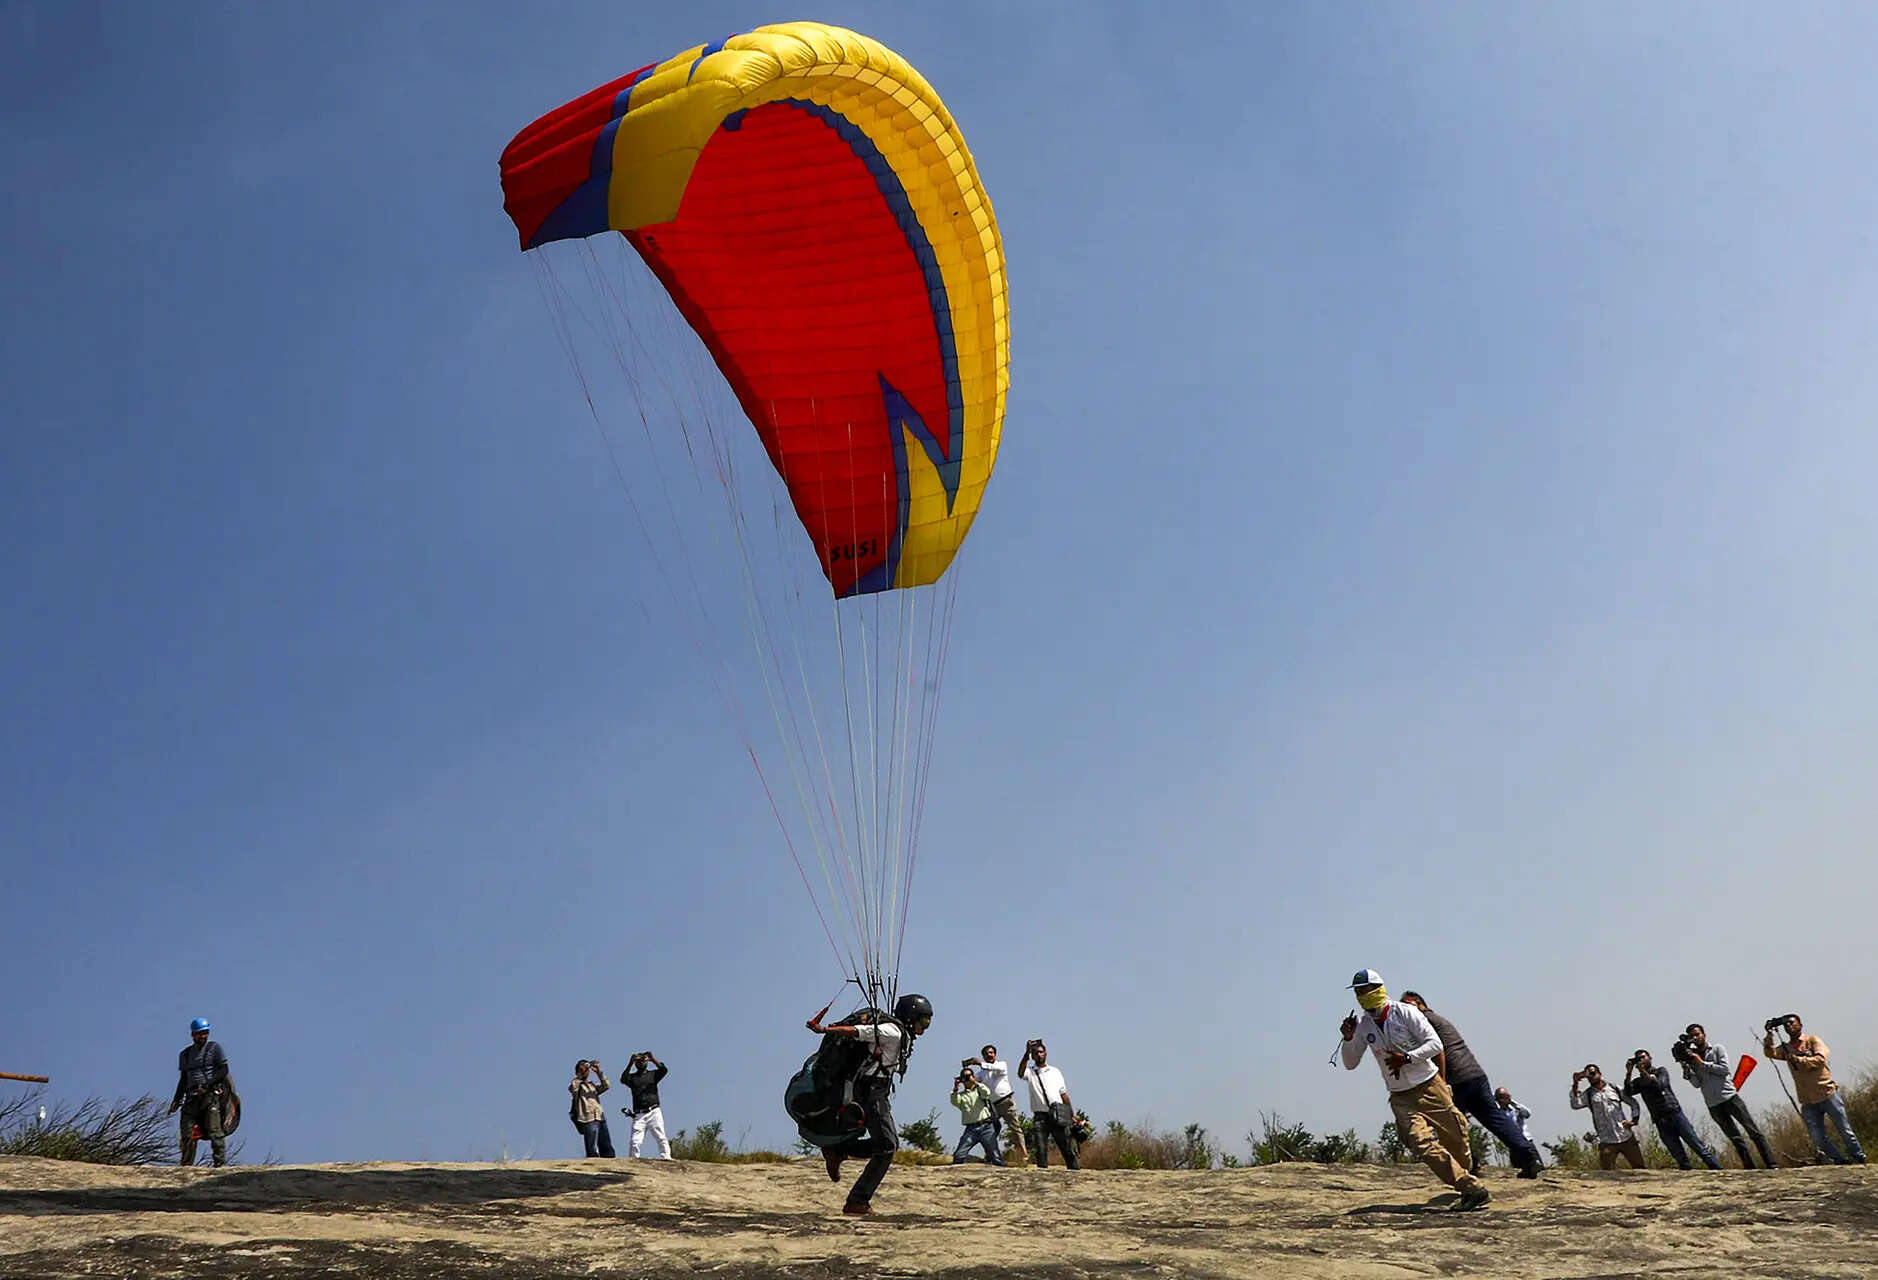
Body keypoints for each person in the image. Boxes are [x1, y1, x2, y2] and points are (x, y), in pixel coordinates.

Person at [1339, 970, 1490, 1210]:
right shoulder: (1364, 1025)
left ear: (1378, 988)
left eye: (1366, 990)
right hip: (1400, 1095)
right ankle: (1469, 1186)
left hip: (1429, 1085)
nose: (1362, 996)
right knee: (1421, 1143)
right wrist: (1348, 1039)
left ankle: (1465, 1168)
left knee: (1457, 1136)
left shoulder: (1405, 1012)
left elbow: (1434, 1044)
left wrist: (1407, 1058)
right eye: (1358, 992)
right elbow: (1350, 1063)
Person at [806, 992, 933, 1215]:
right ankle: (857, 1200)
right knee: (888, 1146)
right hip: (871, 1093)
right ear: (911, 1017)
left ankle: (838, 1150)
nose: (925, 1027)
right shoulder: (892, 1031)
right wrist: (824, 1030)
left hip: (876, 1092)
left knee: (885, 1145)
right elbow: (857, 1031)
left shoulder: (902, 1033)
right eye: (924, 1020)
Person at [1399, 992, 1542, 1178]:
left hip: (1459, 1079)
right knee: (1494, 1119)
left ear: (1419, 1004)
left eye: (1407, 1005)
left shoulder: (1425, 1020)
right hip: (1475, 1074)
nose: (1404, 1010)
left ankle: (1470, 1165)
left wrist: (1441, 1082)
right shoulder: (1438, 1019)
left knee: (1448, 1125)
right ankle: (1530, 1158)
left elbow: (1438, 1052)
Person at [1764, 1015, 1866, 1165]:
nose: (1789, 1026)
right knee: (1817, 1137)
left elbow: (1820, 1059)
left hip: (1827, 1093)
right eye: (1786, 1025)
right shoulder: (1786, 1049)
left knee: (1844, 1130)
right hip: (1808, 1100)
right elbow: (1770, 1053)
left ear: (1800, 1025)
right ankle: (1840, 1160)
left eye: (1792, 1023)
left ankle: (1858, 1156)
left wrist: (1799, 1060)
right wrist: (1769, 1035)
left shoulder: (1812, 1041)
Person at [1678, 1024, 1775, 1169]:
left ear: (1704, 1034)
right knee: (1735, 1138)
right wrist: (1686, 1068)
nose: (1696, 1038)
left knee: (1753, 1131)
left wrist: (1702, 1063)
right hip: (1713, 1104)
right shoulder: (1692, 1058)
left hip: (1729, 1097)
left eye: (1697, 1034)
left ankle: (1772, 1164)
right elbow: (1697, 1083)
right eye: (1693, 1036)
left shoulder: (1717, 1049)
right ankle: (1750, 1168)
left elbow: (1724, 1070)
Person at [1622, 1050, 1720, 1170]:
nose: (1641, 1060)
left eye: (1643, 1057)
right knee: (1678, 1154)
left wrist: (1645, 1073)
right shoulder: (1639, 1081)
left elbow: (1660, 1086)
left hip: (1675, 1114)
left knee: (1697, 1146)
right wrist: (1629, 1072)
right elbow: (1628, 1092)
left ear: (1650, 1058)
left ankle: (1718, 1170)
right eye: (1638, 1059)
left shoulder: (1660, 1071)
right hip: (1660, 1120)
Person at [167, 1017, 231, 1167]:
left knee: (215, 1131)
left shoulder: (215, 1048)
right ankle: (186, 1167)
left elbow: (224, 1069)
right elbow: (183, 1079)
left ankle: (220, 1165)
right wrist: (176, 1100)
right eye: (199, 1033)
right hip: (191, 1098)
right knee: (187, 1134)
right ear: (193, 1035)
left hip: (209, 1096)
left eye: (205, 1033)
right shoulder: (185, 1054)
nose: (203, 1036)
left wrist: (209, 1084)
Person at [1018, 1038, 1080, 1170]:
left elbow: (1064, 1094)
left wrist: (1071, 1114)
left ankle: (1075, 1173)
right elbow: (1020, 1073)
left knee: (1067, 1148)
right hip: (1040, 1117)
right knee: (1041, 1149)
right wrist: (1026, 1054)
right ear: (1032, 1056)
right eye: (1035, 1053)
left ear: (1045, 1053)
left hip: (1058, 1114)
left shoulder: (1055, 1071)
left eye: (1041, 1052)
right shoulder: (1030, 1071)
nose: (1039, 1055)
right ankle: (1042, 1179)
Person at [1570, 1064, 1644, 1169]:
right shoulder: (1588, 1094)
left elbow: (1633, 1103)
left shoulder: (1614, 1088)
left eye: (1593, 1073)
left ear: (1599, 1074)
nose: (1591, 1077)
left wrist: (1634, 1120)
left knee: (1639, 1168)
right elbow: (1575, 1104)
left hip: (1625, 1136)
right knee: (1607, 1172)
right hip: (1606, 1140)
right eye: (1588, 1075)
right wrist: (1575, 1084)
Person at [966, 1044, 1026, 1163]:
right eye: (987, 1053)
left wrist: (979, 1063)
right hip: (992, 1106)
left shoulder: (1001, 1065)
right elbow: (972, 1082)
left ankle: (1023, 1157)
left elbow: (993, 1068)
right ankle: (991, 1156)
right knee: (990, 1131)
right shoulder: (981, 1073)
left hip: (1006, 1102)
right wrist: (965, 1075)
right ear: (983, 1056)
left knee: (1015, 1129)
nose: (989, 1055)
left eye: (991, 1053)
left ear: (995, 1054)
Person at [622, 1051, 672, 1159]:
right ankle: (633, 1161)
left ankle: (666, 1158)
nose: (640, 1063)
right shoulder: (632, 1077)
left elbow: (664, 1070)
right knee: (635, 1141)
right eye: (637, 1061)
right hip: (639, 1114)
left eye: (642, 1061)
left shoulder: (652, 1074)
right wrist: (630, 1063)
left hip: (654, 1110)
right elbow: (623, 1079)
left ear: (646, 1062)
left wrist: (652, 1059)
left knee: (661, 1136)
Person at [949, 1067, 1003, 1165]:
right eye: (964, 1077)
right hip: (971, 1129)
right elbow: (954, 1102)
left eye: (969, 1076)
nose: (967, 1078)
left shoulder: (979, 1090)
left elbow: (987, 1093)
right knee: (958, 1156)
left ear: (973, 1076)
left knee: (995, 1156)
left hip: (986, 1126)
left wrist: (976, 1082)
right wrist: (956, 1087)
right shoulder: (961, 1095)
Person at [569, 1059, 616, 1159]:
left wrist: (598, 1072)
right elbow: (572, 1088)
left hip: (599, 1116)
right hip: (588, 1117)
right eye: (583, 1066)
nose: (586, 1069)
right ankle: (592, 1161)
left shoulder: (591, 1085)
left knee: (605, 1143)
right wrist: (580, 1074)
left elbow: (606, 1085)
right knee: (591, 1145)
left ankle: (610, 1161)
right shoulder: (577, 1084)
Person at [1493, 1088, 1537, 1156]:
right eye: (1500, 1098)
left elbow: (1528, 1114)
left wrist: (1512, 1102)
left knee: (1536, 1164)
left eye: (1504, 1097)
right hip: (1514, 1144)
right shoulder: (1499, 1113)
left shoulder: (1516, 1108)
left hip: (1526, 1141)